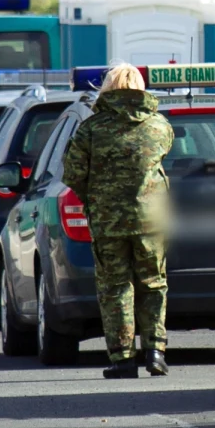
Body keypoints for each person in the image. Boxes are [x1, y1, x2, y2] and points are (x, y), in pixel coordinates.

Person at [63, 63, 174, 379]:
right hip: (151, 219)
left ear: (107, 88)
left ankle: (123, 358)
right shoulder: (160, 126)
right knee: (154, 283)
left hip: (108, 221)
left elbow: (72, 174)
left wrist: (97, 197)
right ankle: (155, 352)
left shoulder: (91, 129)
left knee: (115, 288)